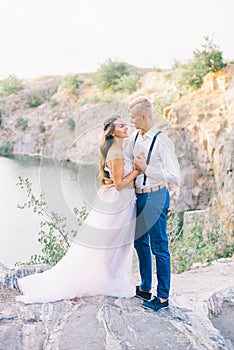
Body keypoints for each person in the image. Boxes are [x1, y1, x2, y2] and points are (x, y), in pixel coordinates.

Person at [16, 115, 139, 304]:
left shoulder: (118, 149)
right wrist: (138, 170)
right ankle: (109, 281)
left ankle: (111, 279)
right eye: (122, 126)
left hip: (123, 201)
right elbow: (119, 184)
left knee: (116, 244)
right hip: (120, 203)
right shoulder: (116, 153)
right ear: (113, 132)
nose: (126, 128)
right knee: (113, 244)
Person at [126, 96, 181, 311]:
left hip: (156, 195)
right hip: (138, 196)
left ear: (144, 116)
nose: (131, 121)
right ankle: (145, 287)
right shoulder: (134, 137)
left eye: (133, 117)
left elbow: (174, 176)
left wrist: (147, 168)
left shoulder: (162, 141)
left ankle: (163, 297)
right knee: (140, 243)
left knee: (159, 247)